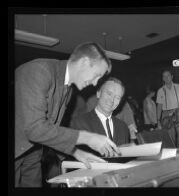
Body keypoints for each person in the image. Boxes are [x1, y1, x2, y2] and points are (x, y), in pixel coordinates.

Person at [15, 42, 121, 187]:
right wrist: (87, 137)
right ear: (84, 62)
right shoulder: (39, 70)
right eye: (97, 75)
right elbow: (34, 128)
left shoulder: (69, 89)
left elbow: (50, 129)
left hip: (34, 151)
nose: (96, 83)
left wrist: (76, 152)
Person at [71, 77, 131, 150]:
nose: (112, 100)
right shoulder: (78, 123)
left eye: (117, 97)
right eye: (109, 93)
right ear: (98, 93)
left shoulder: (123, 127)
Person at [156, 69, 179, 147]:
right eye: (164, 76)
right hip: (166, 115)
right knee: (169, 137)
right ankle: (172, 155)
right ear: (163, 78)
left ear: (172, 77)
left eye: (168, 75)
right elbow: (159, 106)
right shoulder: (160, 90)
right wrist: (158, 121)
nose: (166, 77)